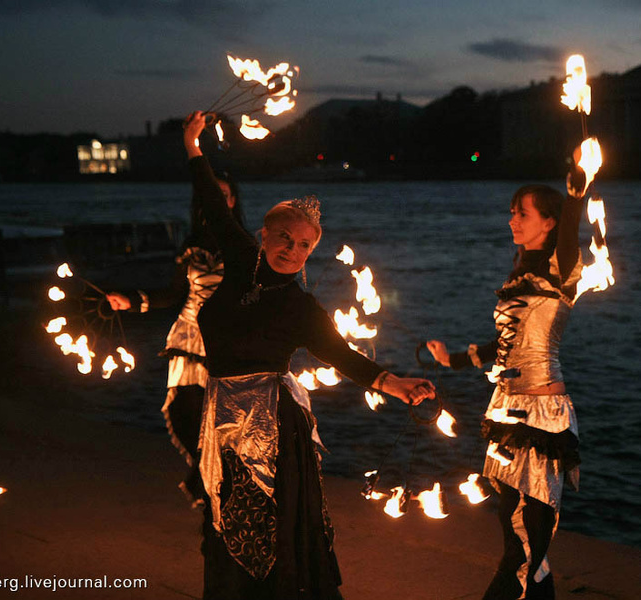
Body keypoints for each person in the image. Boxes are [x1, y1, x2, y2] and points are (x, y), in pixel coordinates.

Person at [182, 110, 437, 600]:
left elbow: (342, 355)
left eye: (304, 246)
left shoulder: (300, 306)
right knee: (224, 518)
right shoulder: (239, 261)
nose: (293, 250)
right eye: (285, 238)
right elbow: (213, 204)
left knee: (266, 529)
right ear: (263, 233)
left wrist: (396, 384)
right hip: (220, 413)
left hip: (271, 425)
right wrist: (194, 147)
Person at [426, 172, 588, 600]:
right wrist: (453, 359)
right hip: (506, 412)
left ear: (549, 222)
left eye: (522, 213)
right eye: (512, 213)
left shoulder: (562, 269)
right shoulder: (521, 274)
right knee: (513, 523)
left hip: (541, 416)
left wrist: (576, 193)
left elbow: (571, 229)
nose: (512, 220)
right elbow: (505, 346)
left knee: (529, 530)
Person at [106, 161, 243, 504]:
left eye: (223, 194)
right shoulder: (190, 245)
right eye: (210, 194)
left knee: (227, 423)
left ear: (232, 201)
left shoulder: (244, 246)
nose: (216, 199)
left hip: (227, 342)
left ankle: (225, 490)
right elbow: (173, 294)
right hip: (188, 336)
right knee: (186, 412)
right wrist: (131, 301)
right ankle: (206, 483)